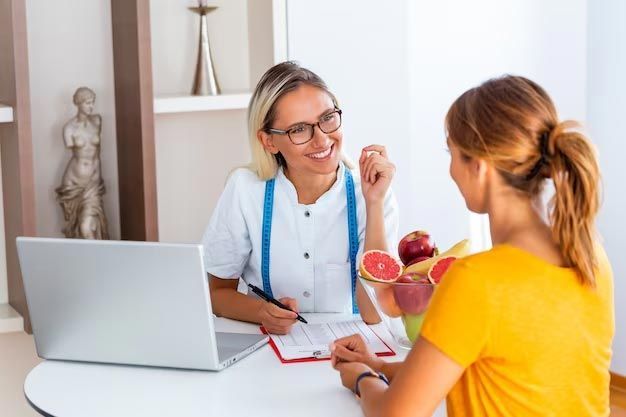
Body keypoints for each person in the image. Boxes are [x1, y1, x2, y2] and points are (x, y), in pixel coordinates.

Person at [330, 75, 614, 416]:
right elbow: (498, 372)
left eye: (453, 152)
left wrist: (362, 378)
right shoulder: (589, 255)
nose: (451, 168)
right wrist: (379, 366)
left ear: (478, 167)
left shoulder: (477, 281)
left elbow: (396, 413)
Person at [201, 62, 399, 334]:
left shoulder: (372, 192)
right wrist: (262, 312)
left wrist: (374, 203)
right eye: (299, 129)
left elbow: (373, 312)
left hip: (354, 349)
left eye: (328, 118)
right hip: (268, 354)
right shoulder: (245, 190)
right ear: (269, 141)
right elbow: (217, 294)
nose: (321, 139)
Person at [56, 86, 109, 239]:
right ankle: (88, 260)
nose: (91, 106)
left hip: (92, 185)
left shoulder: (97, 121)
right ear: (78, 103)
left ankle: (96, 260)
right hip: (73, 184)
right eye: (87, 103)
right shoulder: (69, 129)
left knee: (87, 226)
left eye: (92, 102)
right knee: (79, 229)